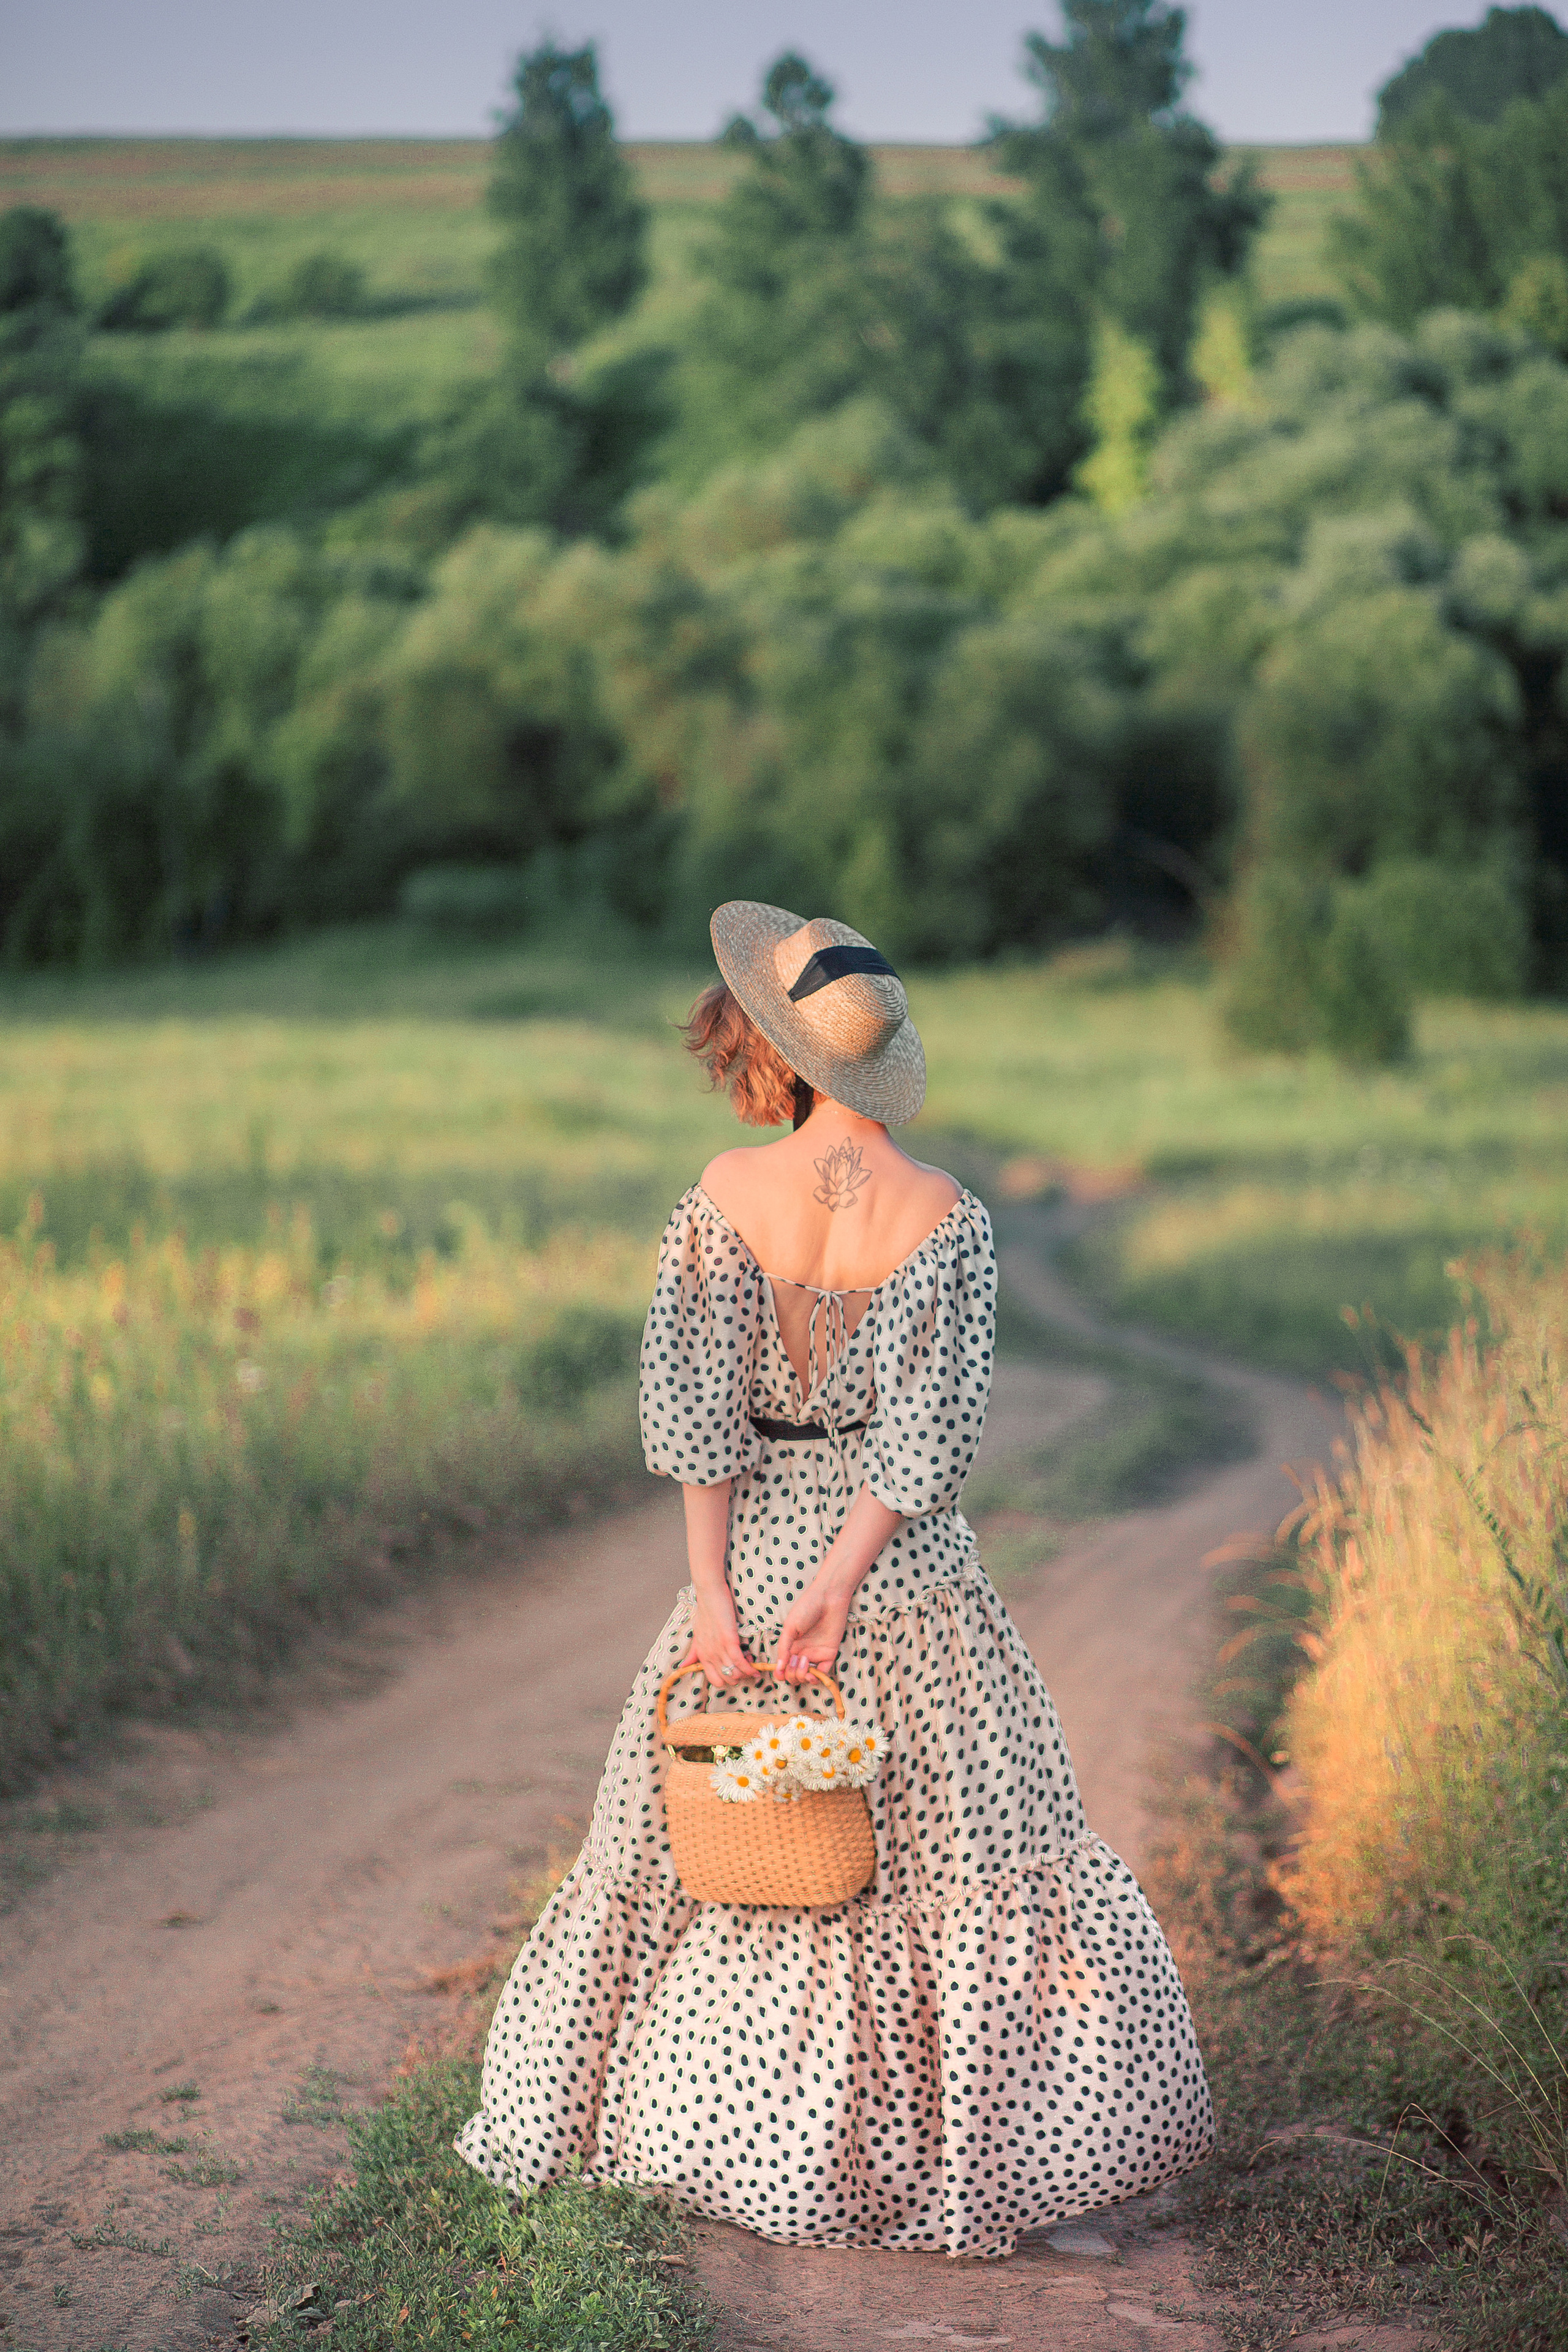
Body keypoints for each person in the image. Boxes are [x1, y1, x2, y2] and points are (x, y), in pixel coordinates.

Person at [456, 901, 1214, 2257]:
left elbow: (696, 1421)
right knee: (951, 1856)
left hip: (753, 1565)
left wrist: (714, 1590)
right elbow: (931, 1442)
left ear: (780, 1049)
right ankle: (931, 2158)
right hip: (905, 1579)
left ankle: (724, 2132)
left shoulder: (722, 1195)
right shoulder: (950, 1219)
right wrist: (848, 1577)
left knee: (721, 1852)